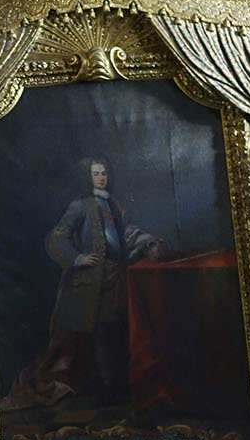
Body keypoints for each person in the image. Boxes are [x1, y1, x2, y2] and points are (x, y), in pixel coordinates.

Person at [12, 157, 161, 408]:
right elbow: (57, 237)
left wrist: (147, 241)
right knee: (97, 332)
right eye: (96, 174)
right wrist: (76, 257)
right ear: (88, 177)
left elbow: (126, 232)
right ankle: (106, 388)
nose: (102, 177)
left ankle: (116, 384)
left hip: (116, 277)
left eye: (104, 173)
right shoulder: (80, 206)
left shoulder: (114, 204)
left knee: (116, 329)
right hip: (90, 280)